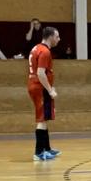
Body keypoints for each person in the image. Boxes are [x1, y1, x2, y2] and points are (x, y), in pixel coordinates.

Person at [27, 26, 61, 161]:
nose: (59, 39)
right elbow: (41, 73)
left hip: (35, 86)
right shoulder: (45, 51)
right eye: (57, 36)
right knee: (42, 119)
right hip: (40, 88)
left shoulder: (36, 48)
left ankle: (46, 149)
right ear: (51, 37)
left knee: (45, 118)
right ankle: (38, 152)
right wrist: (50, 90)